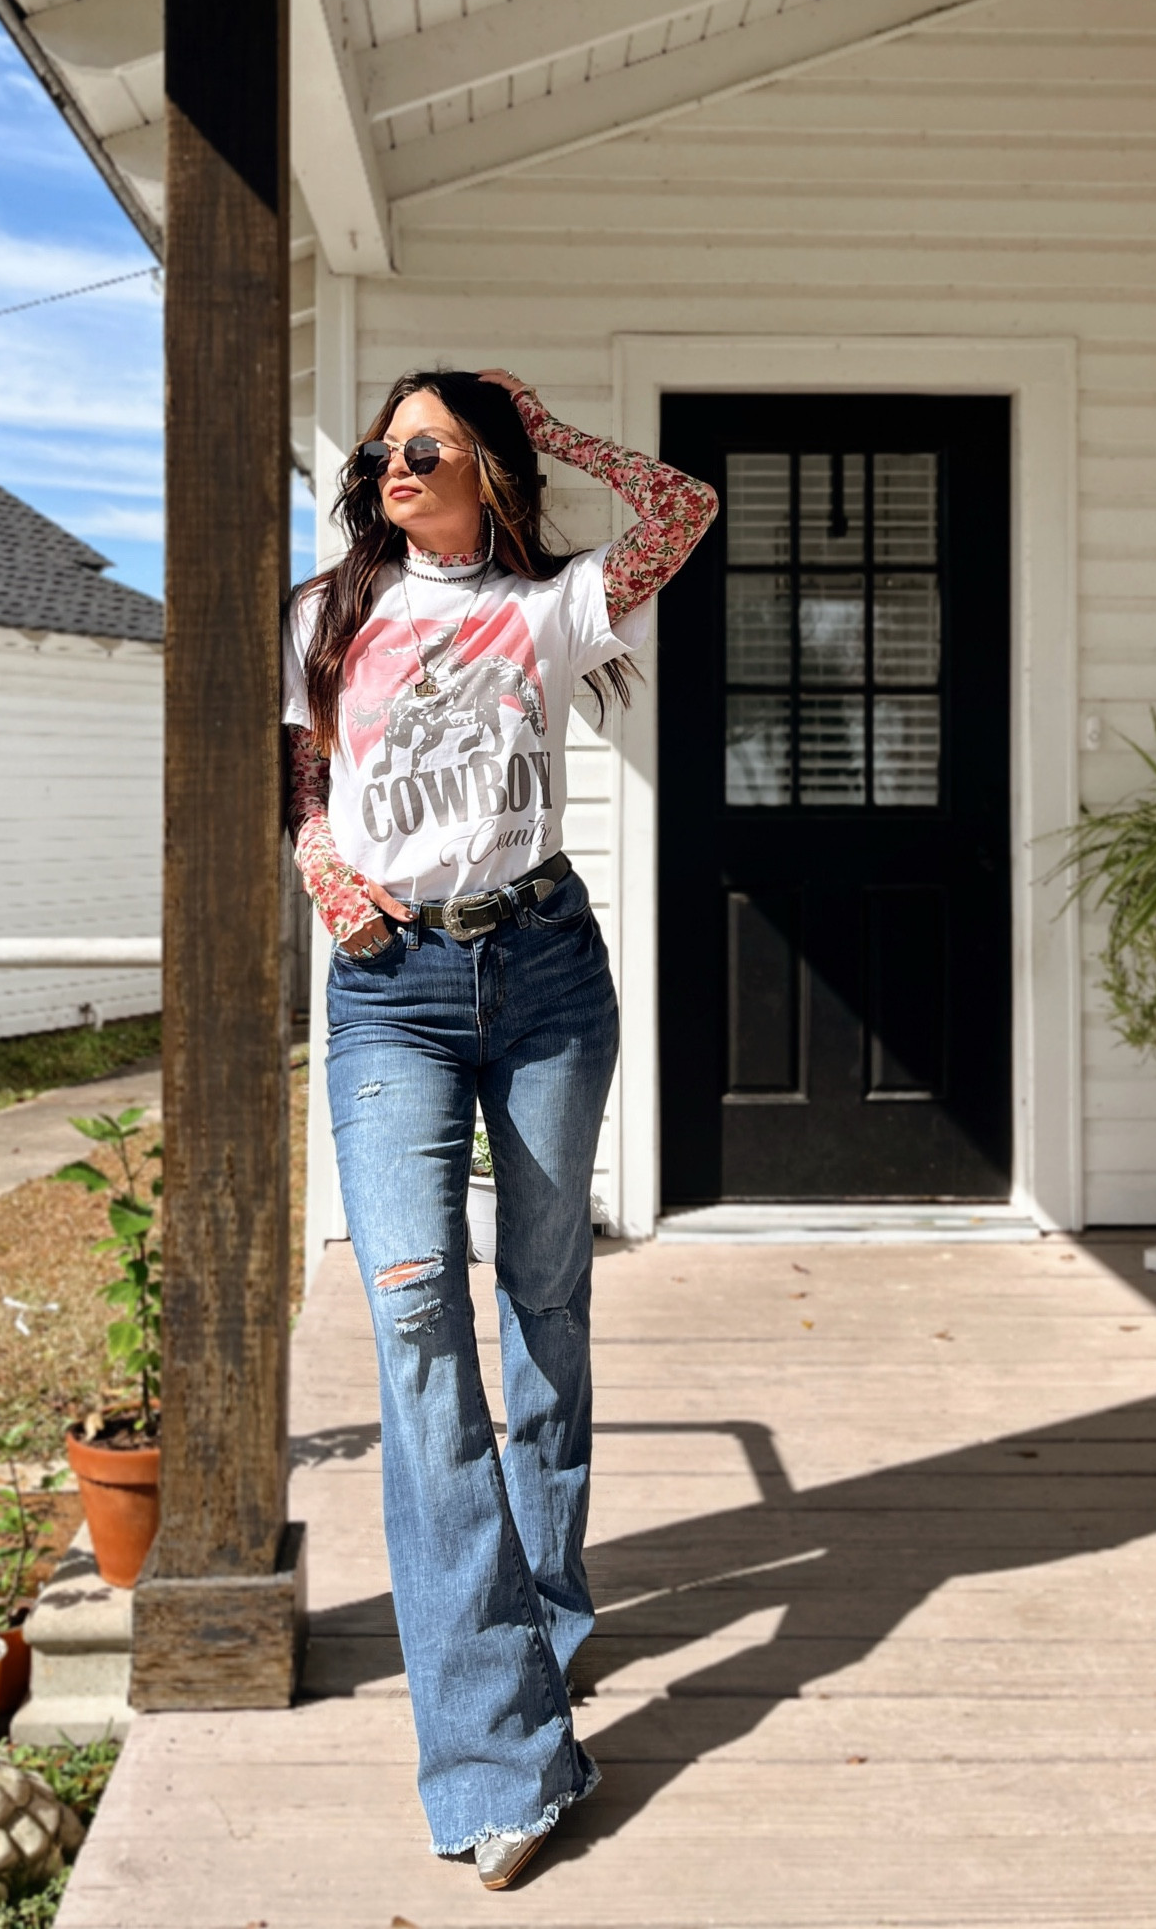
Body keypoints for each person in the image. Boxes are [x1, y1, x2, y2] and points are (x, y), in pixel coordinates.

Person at [282, 367, 716, 1888]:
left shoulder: (555, 606)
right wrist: (326, 870)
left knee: (542, 1300)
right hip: (391, 992)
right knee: (414, 1326)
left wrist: (555, 426)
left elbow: (686, 508)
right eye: (383, 449)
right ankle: (498, 1758)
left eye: (428, 446)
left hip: (540, 975)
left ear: (488, 470)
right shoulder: (326, 611)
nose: (394, 466)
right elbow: (301, 781)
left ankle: (546, 1621)